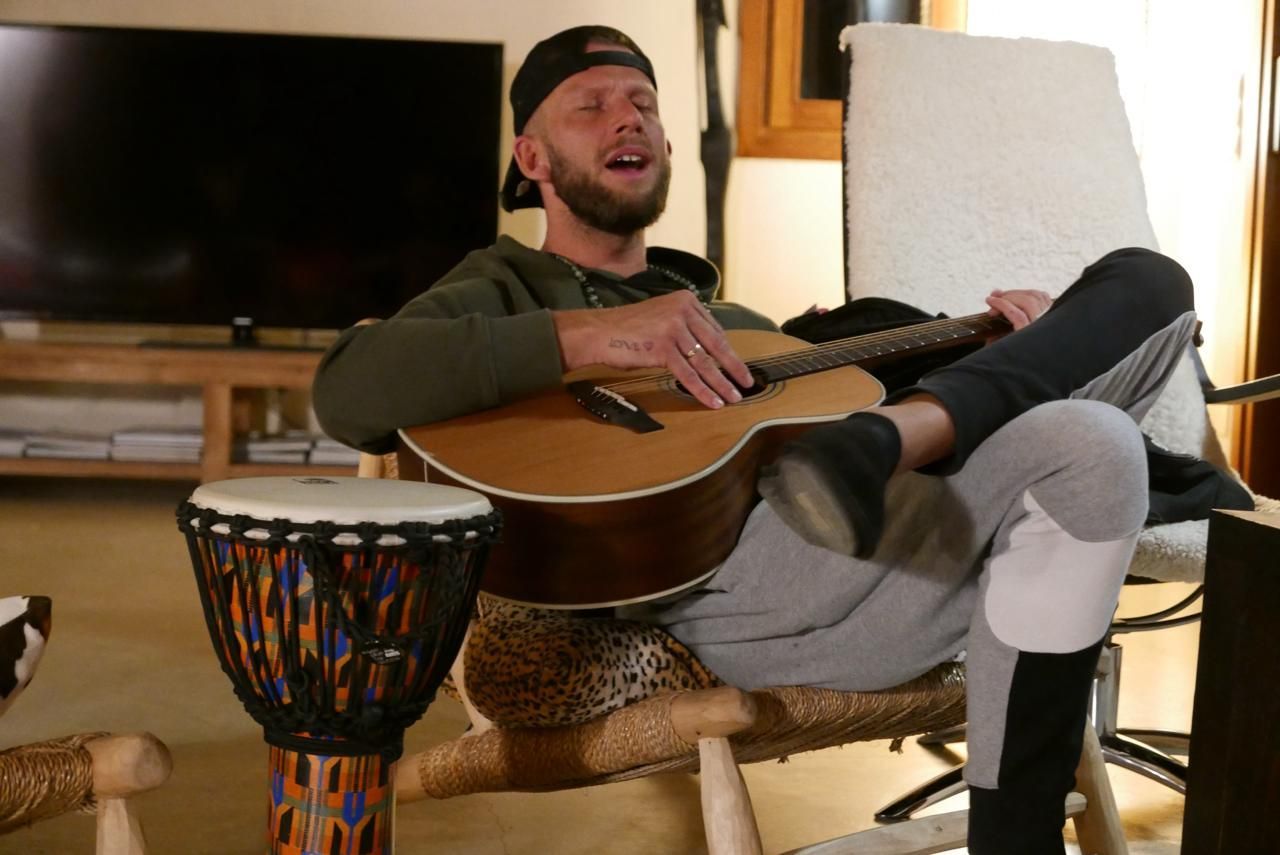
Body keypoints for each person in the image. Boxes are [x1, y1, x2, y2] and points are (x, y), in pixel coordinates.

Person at [313, 25, 1199, 854]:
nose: (628, 117)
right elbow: (347, 387)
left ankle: (1014, 832)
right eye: (592, 105)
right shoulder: (501, 286)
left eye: (644, 103)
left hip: (873, 570)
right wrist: (594, 336)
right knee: (1092, 415)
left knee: (1130, 339)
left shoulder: (739, 324)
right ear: (532, 158)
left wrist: (1016, 352)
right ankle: (901, 433)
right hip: (716, 597)